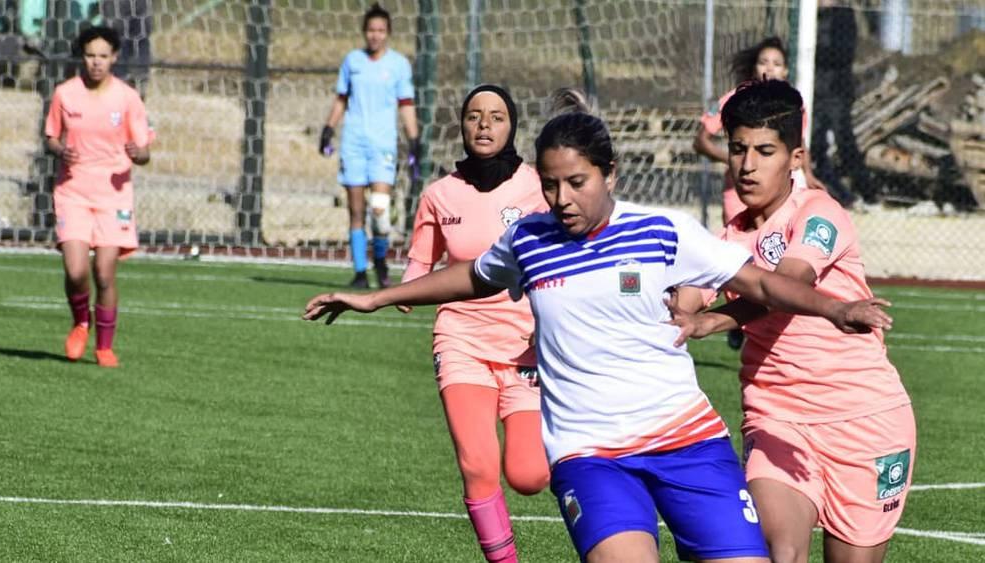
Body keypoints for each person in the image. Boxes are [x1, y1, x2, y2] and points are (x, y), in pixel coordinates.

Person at [303, 100, 894, 563]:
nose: (562, 198)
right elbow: (471, 278)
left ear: (610, 174)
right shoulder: (528, 238)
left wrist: (834, 309)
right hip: (590, 455)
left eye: (577, 182)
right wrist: (377, 297)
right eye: (552, 185)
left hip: (688, 442)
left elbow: (762, 285)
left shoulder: (664, 230)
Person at [673, 80, 915, 563]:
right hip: (778, 417)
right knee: (779, 549)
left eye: (764, 151)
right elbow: (683, 300)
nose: (746, 165)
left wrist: (710, 323)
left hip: (866, 419)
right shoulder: (726, 240)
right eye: (738, 149)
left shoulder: (819, 213)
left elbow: (785, 285)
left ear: (796, 158)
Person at [402, 84, 549, 563]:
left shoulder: (539, 186)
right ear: (461, 125)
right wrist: (400, 292)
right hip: (461, 340)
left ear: (513, 127)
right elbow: (421, 263)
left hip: (526, 347)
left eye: (497, 116)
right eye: (474, 116)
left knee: (529, 475)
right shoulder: (439, 194)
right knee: (478, 466)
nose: (484, 125)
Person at [693, 36, 824, 351]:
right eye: (764, 62)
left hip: (782, 189)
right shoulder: (732, 101)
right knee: (741, 252)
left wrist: (808, 174)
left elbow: (797, 145)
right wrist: (737, 160)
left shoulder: (794, 107)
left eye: (777, 63)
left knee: (775, 256)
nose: (770, 68)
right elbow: (701, 140)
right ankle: (741, 318)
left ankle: (746, 318)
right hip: (737, 195)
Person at [45, 25, 152, 368]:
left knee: (104, 272)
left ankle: (104, 346)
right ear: (82, 56)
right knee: (76, 270)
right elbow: (51, 137)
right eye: (90, 55)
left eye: (103, 56)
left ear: (114, 58)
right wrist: (60, 149)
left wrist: (139, 153)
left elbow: (145, 149)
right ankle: (80, 322)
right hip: (73, 191)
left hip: (114, 196)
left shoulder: (127, 97)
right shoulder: (65, 94)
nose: (96, 62)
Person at [319, 3, 419, 289]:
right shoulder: (353, 61)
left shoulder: (398, 65)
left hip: (383, 144)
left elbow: (406, 104)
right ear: (365, 32)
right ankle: (361, 272)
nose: (375, 35)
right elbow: (341, 99)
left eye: (381, 30)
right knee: (356, 210)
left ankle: (382, 262)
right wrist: (328, 129)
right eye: (371, 30)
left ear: (387, 33)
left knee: (381, 209)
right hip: (353, 143)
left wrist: (414, 140)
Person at [811, 1, 874, 206]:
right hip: (815, 90)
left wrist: (811, 51)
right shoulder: (811, 15)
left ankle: (867, 191)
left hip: (836, 90)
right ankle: (837, 193)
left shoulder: (843, 16)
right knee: (815, 143)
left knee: (844, 141)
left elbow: (842, 52)